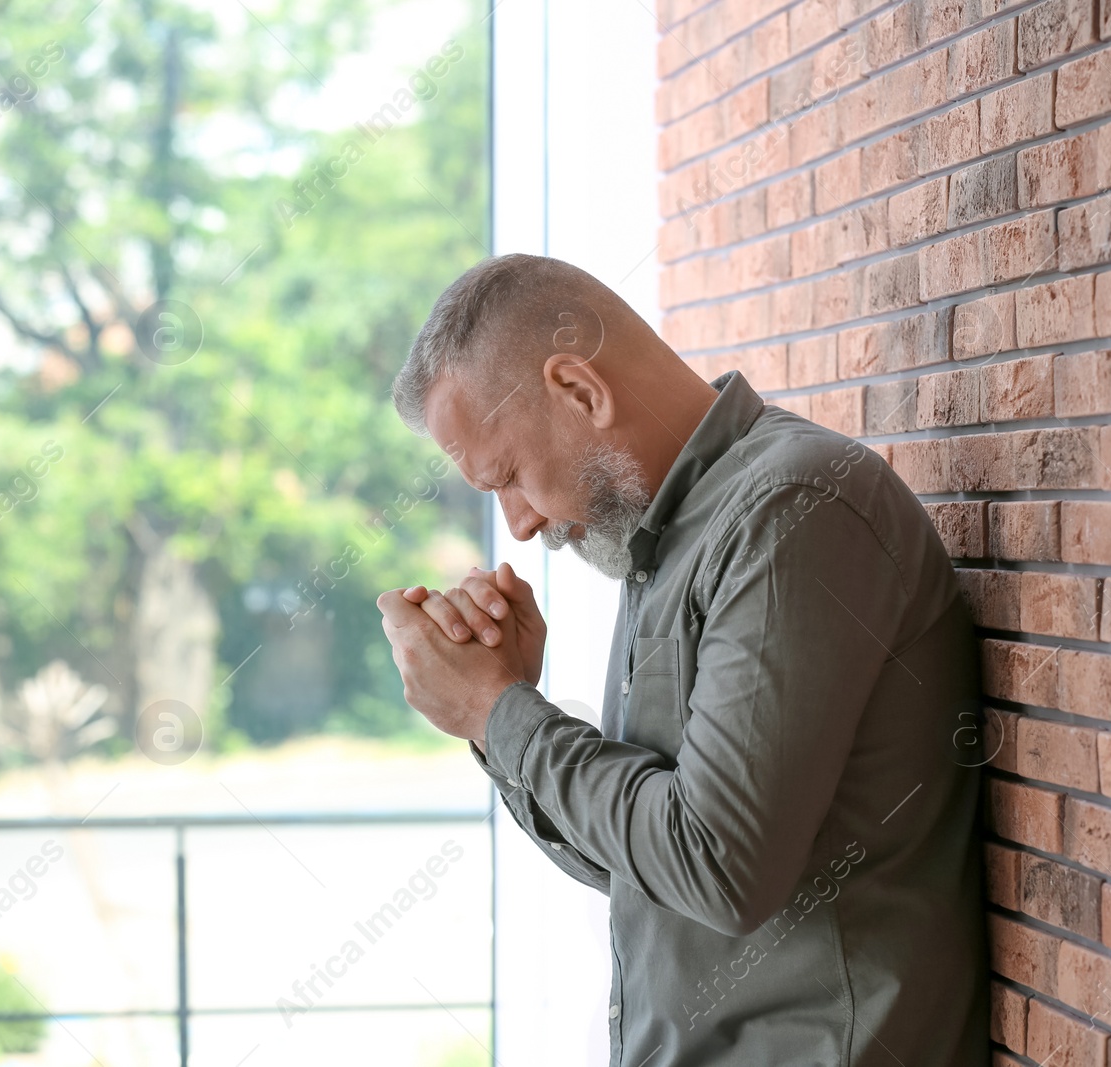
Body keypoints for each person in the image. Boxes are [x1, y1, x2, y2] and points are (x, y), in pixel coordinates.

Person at [375, 253, 990, 1067]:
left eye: (511, 477)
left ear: (581, 392)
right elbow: (647, 866)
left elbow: (719, 865)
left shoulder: (791, 511)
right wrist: (506, 712)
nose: (517, 524)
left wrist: (501, 713)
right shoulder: (663, 542)